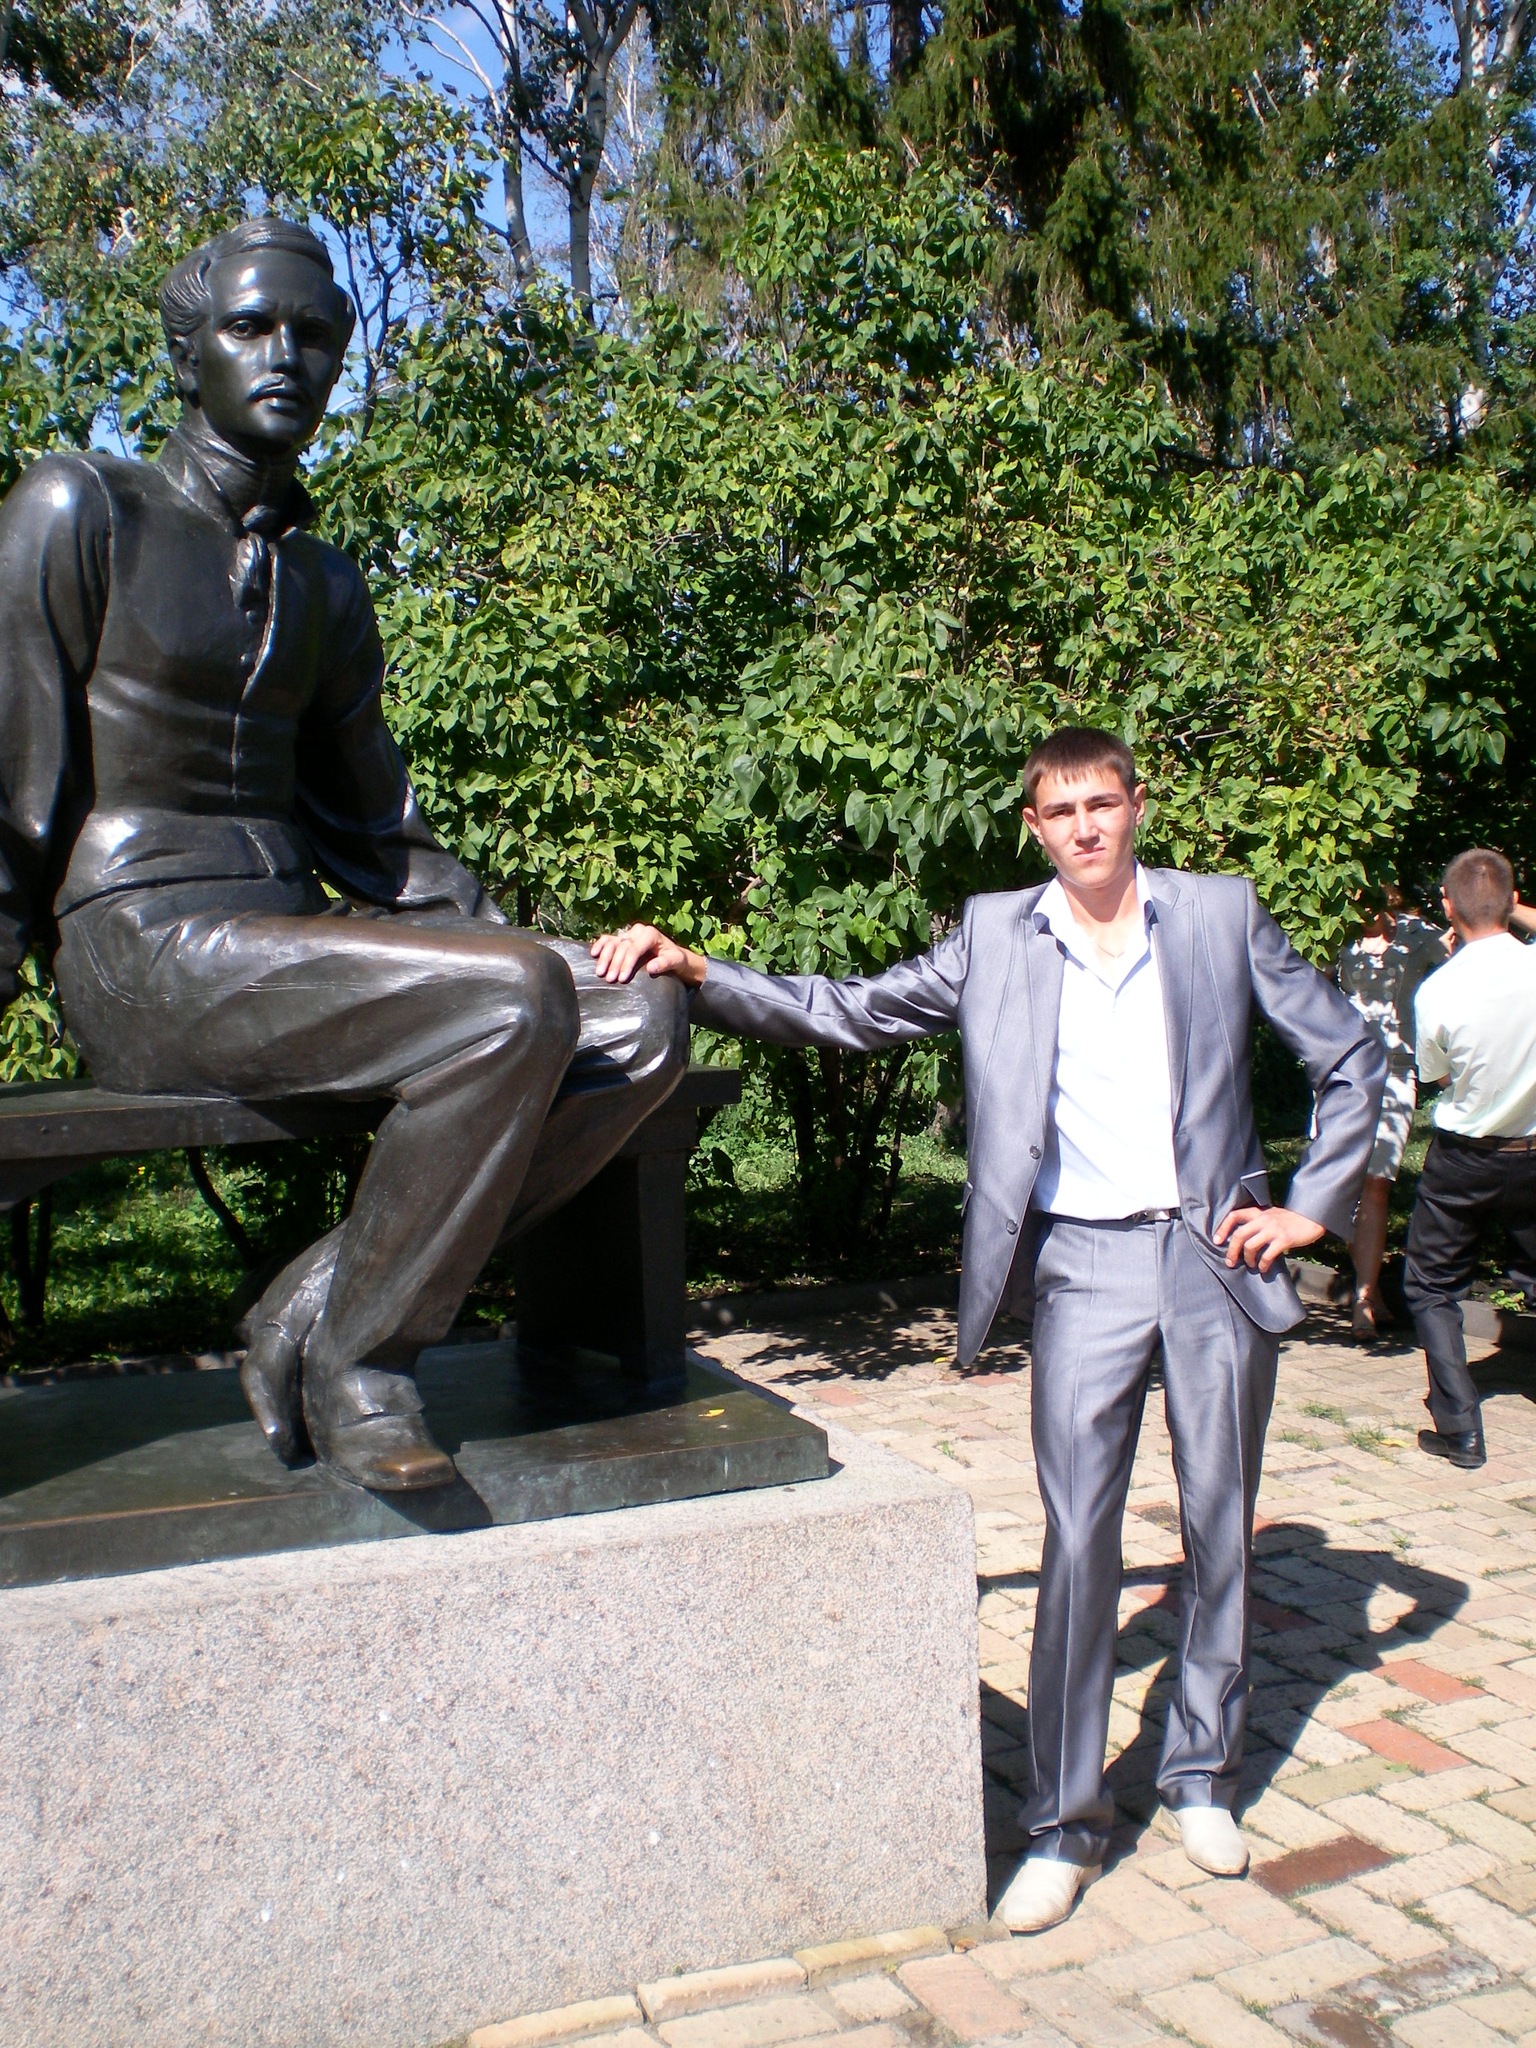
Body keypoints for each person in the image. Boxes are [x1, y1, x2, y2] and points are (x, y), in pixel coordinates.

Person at [592, 727, 1383, 1930]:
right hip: (1082, 1266)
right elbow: (852, 1010)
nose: (1085, 827)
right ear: (1034, 825)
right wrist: (697, 968)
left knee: (1220, 1524)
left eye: (1102, 803)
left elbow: (1348, 1051)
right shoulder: (997, 932)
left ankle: (1203, 1775)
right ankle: (1064, 1825)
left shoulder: (1220, 915)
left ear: (1136, 805)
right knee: (1079, 1541)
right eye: (1061, 810)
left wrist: (1310, 1208)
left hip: (1213, 1257)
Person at [0, 218, 686, 1492]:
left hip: (285, 950)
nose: (287, 355)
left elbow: (388, 846)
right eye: (251, 325)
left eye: (316, 335)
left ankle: (316, 1301)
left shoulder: (323, 584)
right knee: (513, 1002)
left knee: (639, 1020)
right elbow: (9, 792)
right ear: (189, 351)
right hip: (137, 951)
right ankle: (362, 1365)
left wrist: (551, 953)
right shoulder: (84, 507)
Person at [1404, 849, 1536, 1471]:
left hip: (1464, 1157)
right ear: (1513, 900)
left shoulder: (1440, 989)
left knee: (1431, 1286)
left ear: (1447, 906)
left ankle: (1461, 1431)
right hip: (1533, 1153)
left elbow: (1435, 1075)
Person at [1334, 887, 1449, 1338]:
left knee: (1377, 1182)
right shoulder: (1335, 934)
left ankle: (1363, 1296)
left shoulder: (1416, 935)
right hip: (1343, 1073)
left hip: (1396, 1073)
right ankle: (1371, 1287)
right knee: (1341, 1182)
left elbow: (1461, 962)